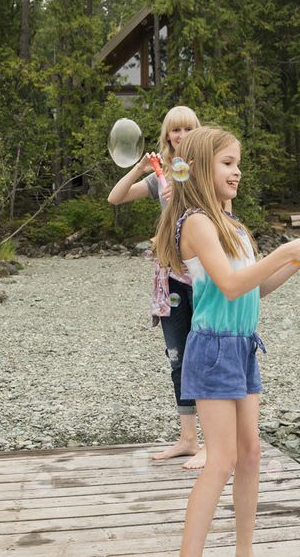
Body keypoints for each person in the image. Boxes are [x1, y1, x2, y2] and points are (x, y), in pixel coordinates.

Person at [151, 126, 300, 556]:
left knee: (251, 454)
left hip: (243, 345)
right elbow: (230, 285)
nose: (237, 173)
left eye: (238, 164)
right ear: (195, 170)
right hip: (212, 349)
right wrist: (286, 250)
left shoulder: (234, 225)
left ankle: (244, 552)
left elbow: (256, 288)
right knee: (222, 461)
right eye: (227, 163)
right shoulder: (195, 223)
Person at [107, 106, 211, 470]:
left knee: (207, 353)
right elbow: (115, 198)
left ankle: (211, 443)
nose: (180, 135)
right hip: (169, 278)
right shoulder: (160, 175)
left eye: (187, 129)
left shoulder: (207, 172)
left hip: (204, 275)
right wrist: (138, 167)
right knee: (178, 357)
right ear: (166, 136)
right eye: (174, 130)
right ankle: (187, 438)